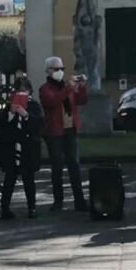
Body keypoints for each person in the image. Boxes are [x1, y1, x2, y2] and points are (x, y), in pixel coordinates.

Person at [39, 56, 88, 212]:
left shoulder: (67, 87)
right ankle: (58, 201)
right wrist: (68, 88)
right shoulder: (45, 89)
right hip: (54, 132)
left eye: (62, 69)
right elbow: (52, 102)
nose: (60, 72)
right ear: (48, 71)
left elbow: (82, 100)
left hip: (70, 130)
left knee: (74, 165)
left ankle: (79, 201)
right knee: (57, 168)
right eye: (56, 69)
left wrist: (82, 87)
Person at [0, 77, 44, 219]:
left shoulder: (34, 106)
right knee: (9, 179)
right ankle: (5, 208)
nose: (21, 94)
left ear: (29, 91)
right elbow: (2, 125)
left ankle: (32, 207)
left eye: (24, 91)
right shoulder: (9, 106)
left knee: (28, 179)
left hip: (27, 148)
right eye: (18, 91)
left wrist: (26, 115)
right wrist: (11, 113)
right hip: (12, 148)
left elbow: (38, 125)